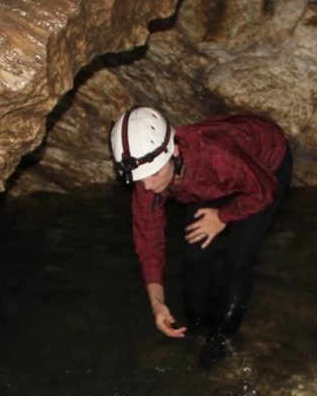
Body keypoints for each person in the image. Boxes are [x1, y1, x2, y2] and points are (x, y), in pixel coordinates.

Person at [110, 106, 292, 361]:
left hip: (264, 168)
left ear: (173, 151)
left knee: (237, 261)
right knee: (195, 258)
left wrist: (221, 217)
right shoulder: (148, 178)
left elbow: (263, 192)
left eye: (152, 175)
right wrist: (157, 303)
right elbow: (149, 241)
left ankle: (221, 338)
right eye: (139, 180)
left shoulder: (215, 157)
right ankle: (194, 330)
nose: (147, 186)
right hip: (209, 180)